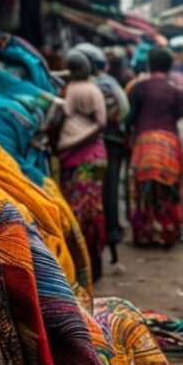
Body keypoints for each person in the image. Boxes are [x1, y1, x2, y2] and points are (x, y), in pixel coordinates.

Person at [73, 43, 130, 258]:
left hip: (102, 142)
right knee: (110, 188)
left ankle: (106, 232)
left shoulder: (93, 85)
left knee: (102, 188)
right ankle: (111, 229)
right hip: (113, 141)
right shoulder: (109, 82)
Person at [127, 48, 183, 247]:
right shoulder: (176, 89)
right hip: (168, 144)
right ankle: (168, 231)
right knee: (168, 190)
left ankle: (146, 233)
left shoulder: (138, 87)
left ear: (149, 65)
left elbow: (130, 117)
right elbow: (181, 112)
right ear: (169, 66)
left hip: (144, 143)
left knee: (144, 190)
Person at [57, 50, 108, 280]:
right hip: (96, 155)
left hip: (73, 157)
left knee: (73, 209)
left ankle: (79, 262)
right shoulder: (94, 89)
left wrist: (74, 138)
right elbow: (102, 121)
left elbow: (61, 117)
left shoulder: (68, 91)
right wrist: (88, 135)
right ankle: (96, 261)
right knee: (94, 207)